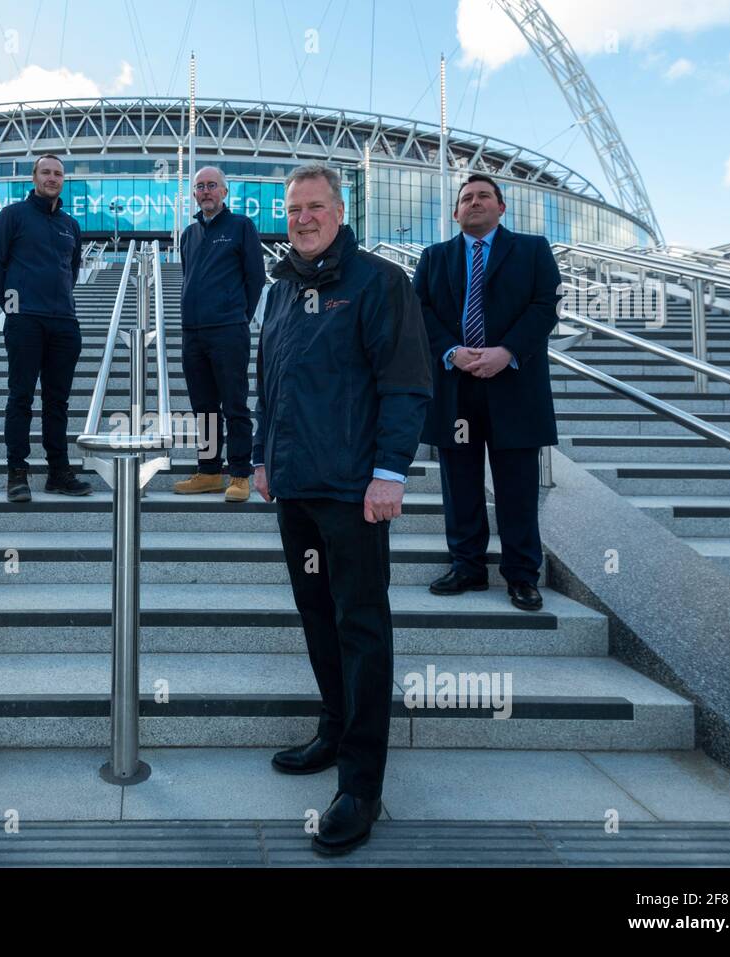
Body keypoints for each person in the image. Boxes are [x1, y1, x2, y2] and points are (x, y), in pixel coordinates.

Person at [252, 163, 431, 856]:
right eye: (294, 208)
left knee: (361, 624)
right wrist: (265, 458)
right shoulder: (280, 290)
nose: (302, 217)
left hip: (355, 490)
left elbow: (406, 383)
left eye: (315, 206)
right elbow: (271, 380)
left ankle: (361, 782)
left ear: (339, 209)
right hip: (295, 486)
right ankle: (333, 725)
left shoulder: (379, 282)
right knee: (315, 612)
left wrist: (390, 471)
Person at [413, 173, 562, 612]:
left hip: (514, 384)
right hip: (456, 386)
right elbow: (418, 309)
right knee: (459, 484)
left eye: (483, 196)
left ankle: (521, 576)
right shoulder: (434, 256)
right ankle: (467, 567)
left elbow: (546, 305)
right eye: (466, 198)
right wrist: (451, 351)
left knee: (517, 486)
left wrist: (508, 351)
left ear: (501, 207)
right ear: (456, 212)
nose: (474, 202)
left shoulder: (533, 250)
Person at [0, 154, 92, 502]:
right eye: (46, 172)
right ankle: (17, 472)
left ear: (63, 180)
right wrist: (12, 308)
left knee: (57, 402)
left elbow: (71, 271)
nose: (52, 178)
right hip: (25, 319)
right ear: (35, 177)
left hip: (64, 323)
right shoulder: (13, 215)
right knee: (21, 397)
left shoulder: (70, 225)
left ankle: (58, 472)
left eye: (58, 173)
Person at [173, 165, 264, 503]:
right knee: (204, 408)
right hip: (193, 333)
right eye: (200, 187)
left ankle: (239, 474)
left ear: (224, 192)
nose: (206, 191)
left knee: (235, 405)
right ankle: (209, 471)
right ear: (194, 194)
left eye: (212, 185)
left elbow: (254, 278)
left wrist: (239, 316)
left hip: (228, 331)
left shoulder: (241, 227)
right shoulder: (189, 234)